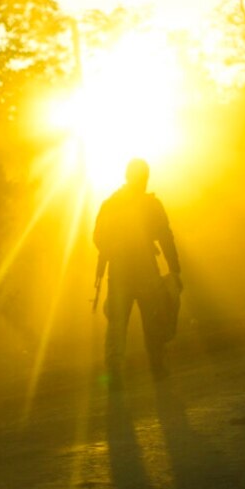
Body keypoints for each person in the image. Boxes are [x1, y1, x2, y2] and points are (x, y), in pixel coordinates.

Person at [93, 158, 182, 384]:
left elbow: (99, 238)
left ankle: (120, 373)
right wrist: (174, 269)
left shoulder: (112, 204)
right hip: (139, 271)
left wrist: (174, 268)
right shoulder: (147, 204)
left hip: (126, 272)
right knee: (145, 323)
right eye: (142, 177)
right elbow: (165, 236)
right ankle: (154, 370)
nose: (143, 181)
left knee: (126, 325)